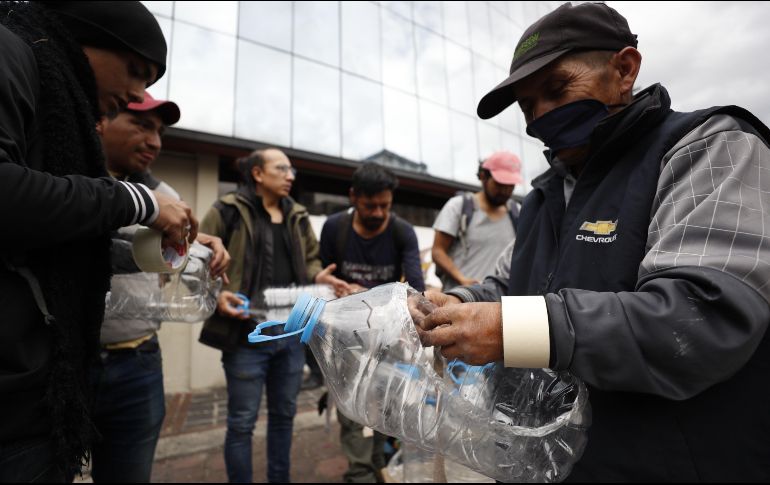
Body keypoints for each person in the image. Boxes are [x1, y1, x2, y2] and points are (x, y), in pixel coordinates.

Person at [415, 2, 770, 481]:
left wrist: (510, 330)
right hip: (549, 463)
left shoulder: (706, 147)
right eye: (527, 107)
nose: (539, 117)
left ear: (624, 69)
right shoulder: (544, 195)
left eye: (556, 90)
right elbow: (507, 284)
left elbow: (698, 316)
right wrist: (452, 302)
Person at [0, 2, 197, 481]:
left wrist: (170, 252)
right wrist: (137, 200)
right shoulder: (14, 54)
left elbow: (60, 244)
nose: (136, 93)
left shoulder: (58, 117)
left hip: (40, 392)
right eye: (135, 72)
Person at [90, 92, 230, 482]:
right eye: (141, 125)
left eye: (160, 131)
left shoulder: (167, 196)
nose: (155, 141)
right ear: (102, 119)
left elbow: (181, 258)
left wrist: (207, 267)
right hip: (64, 360)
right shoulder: (71, 184)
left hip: (139, 362)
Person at [198, 148, 349, 483]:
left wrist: (318, 276)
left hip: (290, 336)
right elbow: (198, 263)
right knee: (241, 423)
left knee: (284, 416)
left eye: (292, 169)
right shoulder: (227, 210)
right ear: (257, 174)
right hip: (244, 337)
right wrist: (216, 295)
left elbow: (310, 261)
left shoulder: (297, 214)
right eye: (282, 168)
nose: (290, 175)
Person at [319, 162, 425, 483]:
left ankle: (380, 466)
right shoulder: (334, 228)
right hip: (344, 341)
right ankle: (360, 474)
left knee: (388, 409)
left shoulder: (401, 232)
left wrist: (377, 298)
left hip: (388, 338)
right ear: (353, 196)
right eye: (370, 206)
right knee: (352, 413)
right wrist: (326, 283)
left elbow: (416, 288)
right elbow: (323, 277)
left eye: (385, 205)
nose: (378, 213)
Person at [431, 151, 522, 290]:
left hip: (498, 304)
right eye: (499, 184)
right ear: (483, 177)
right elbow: (438, 251)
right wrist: (463, 279)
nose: (505, 191)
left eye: (510, 186)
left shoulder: (518, 213)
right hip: (459, 299)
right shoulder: (458, 206)